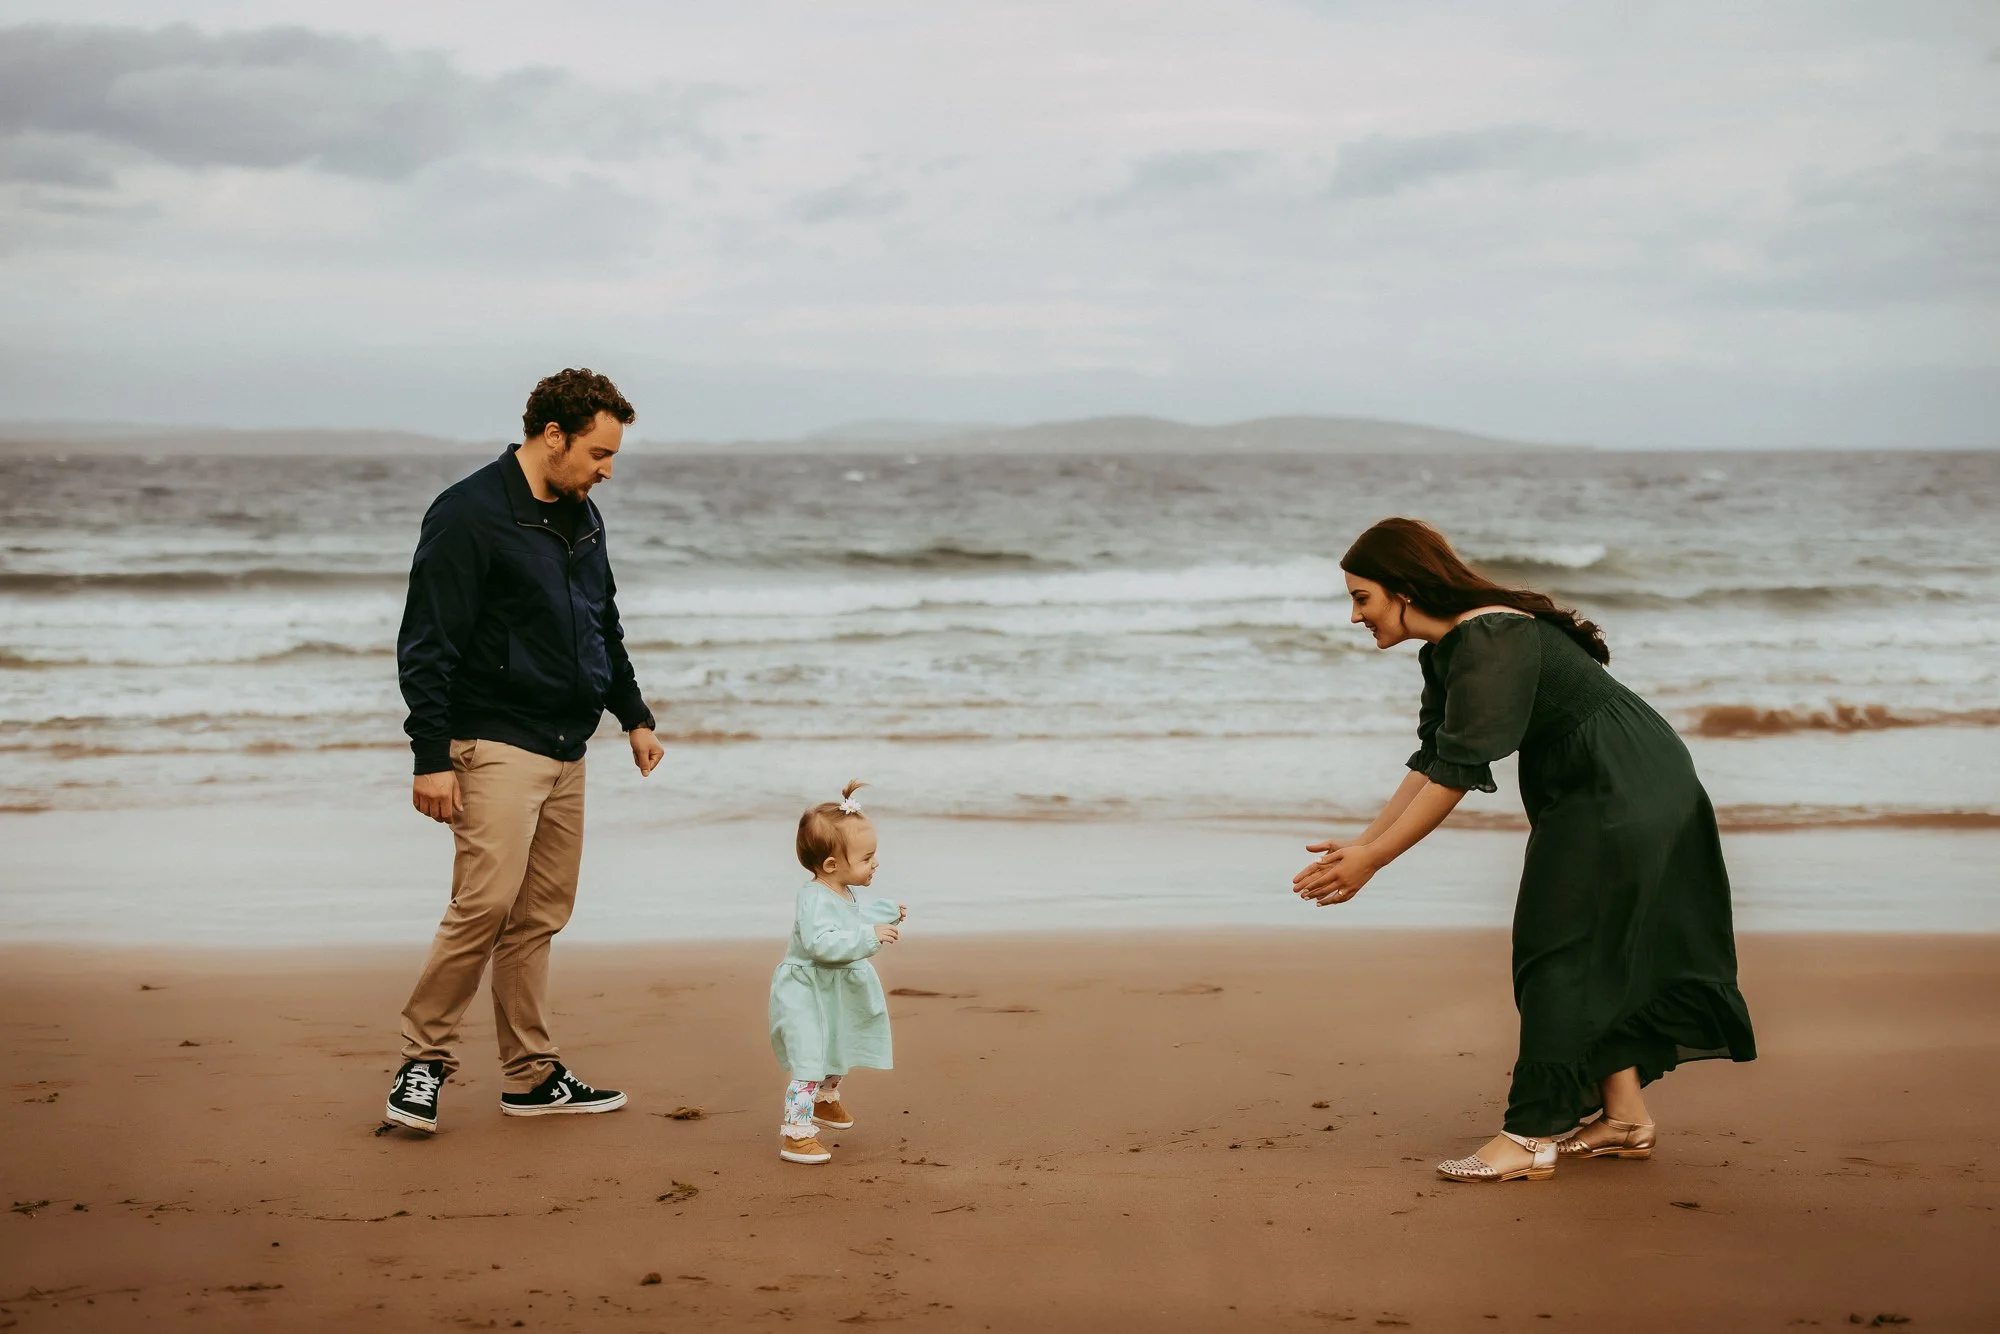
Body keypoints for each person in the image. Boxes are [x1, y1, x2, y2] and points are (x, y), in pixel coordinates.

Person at [1293, 517, 1755, 1183]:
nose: (1353, 616)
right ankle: (1623, 1119)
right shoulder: (1451, 648)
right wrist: (1363, 845)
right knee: (1578, 949)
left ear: (1403, 589)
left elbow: (1456, 773)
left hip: (1617, 786)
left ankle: (1531, 1135)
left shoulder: (1491, 634)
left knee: (1556, 951)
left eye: (1360, 597)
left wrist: (1377, 859)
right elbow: (1434, 760)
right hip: (1621, 780)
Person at [382, 368, 665, 1134]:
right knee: (484, 906)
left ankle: (532, 1076)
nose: (606, 469)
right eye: (599, 453)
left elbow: (601, 623)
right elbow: (426, 644)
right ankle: (422, 1064)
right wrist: (430, 755)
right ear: (553, 437)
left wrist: (633, 714)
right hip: (494, 740)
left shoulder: (583, 515)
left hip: (568, 744)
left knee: (539, 915)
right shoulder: (469, 514)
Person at [768, 781, 906, 1164]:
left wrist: (885, 914)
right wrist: (869, 937)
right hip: (806, 990)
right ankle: (795, 1134)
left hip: (831, 989)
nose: (875, 863)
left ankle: (825, 1101)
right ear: (831, 865)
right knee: (810, 1055)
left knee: (839, 1042)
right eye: (866, 858)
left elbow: (854, 917)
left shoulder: (843, 891)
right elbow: (821, 944)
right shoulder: (813, 896)